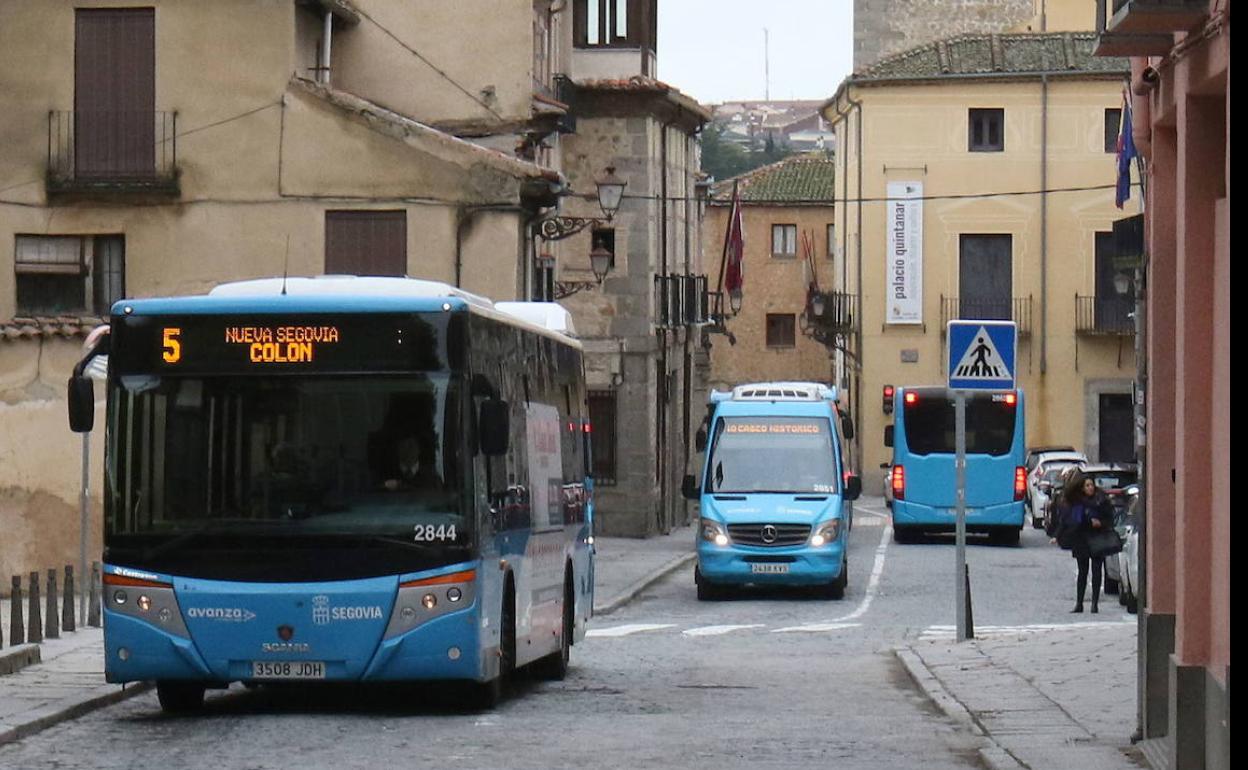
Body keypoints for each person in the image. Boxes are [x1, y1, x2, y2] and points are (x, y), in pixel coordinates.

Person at [1050, 470, 1115, 613]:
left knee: (1097, 571)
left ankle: (1094, 604)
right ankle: (1079, 603)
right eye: (1087, 485)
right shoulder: (1077, 503)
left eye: (1091, 485)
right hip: (1081, 538)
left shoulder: (1101, 500)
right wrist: (1056, 536)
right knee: (1082, 571)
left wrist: (1101, 523)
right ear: (1082, 488)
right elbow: (1066, 520)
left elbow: (1110, 518)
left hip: (1097, 538)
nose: (1090, 488)